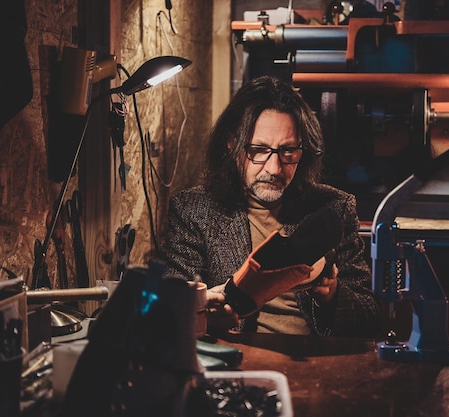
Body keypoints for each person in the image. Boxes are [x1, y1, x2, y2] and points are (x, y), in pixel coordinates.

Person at [162, 75, 380, 337]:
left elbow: (369, 320)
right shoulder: (194, 210)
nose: (275, 168)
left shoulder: (334, 207)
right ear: (232, 145)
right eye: (259, 150)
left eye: (288, 151)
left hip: (316, 363)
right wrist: (203, 313)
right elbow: (168, 311)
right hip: (235, 361)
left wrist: (332, 296)